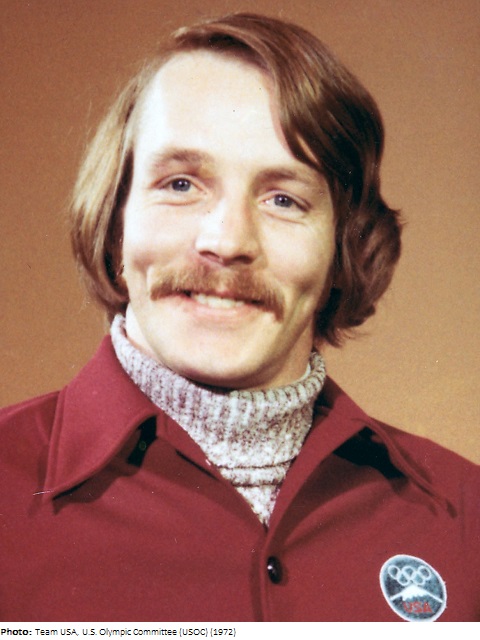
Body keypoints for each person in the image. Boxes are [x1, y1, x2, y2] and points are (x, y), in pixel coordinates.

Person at [0, 12, 478, 623]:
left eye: (284, 199)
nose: (226, 242)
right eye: (180, 184)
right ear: (115, 219)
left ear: (345, 247)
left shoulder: (465, 518)